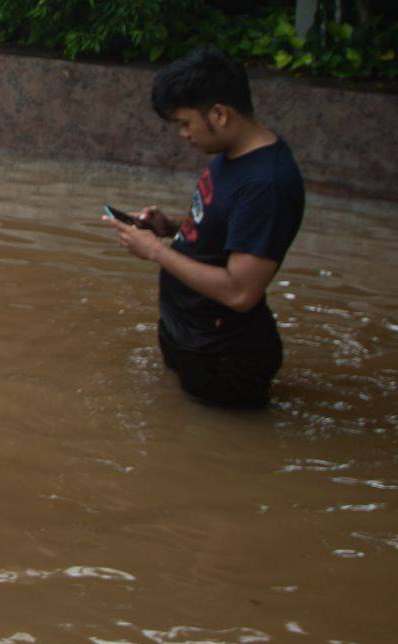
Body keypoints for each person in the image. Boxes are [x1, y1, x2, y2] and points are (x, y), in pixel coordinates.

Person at [109, 47, 305, 408]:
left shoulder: (267, 185)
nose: (184, 134)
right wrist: (168, 226)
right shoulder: (234, 154)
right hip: (191, 333)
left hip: (224, 357)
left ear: (219, 113)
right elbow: (221, 225)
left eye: (185, 123)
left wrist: (154, 250)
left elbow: (240, 292)